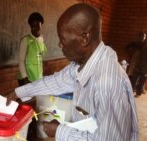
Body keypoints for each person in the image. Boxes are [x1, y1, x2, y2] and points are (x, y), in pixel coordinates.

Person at [8, 3, 138, 141]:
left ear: (84, 38)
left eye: (62, 39)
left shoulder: (107, 82)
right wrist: (18, 92)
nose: (59, 45)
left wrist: (59, 131)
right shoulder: (82, 63)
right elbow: (56, 81)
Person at [18, 12, 47, 86]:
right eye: (33, 26)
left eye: (37, 26)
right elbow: (21, 60)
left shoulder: (41, 39)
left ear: (41, 25)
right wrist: (25, 78)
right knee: (28, 97)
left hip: (38, 77)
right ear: (30, 26)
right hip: (27, 78)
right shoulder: (25, 40)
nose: (35, 28)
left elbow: (40, 57)